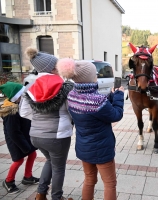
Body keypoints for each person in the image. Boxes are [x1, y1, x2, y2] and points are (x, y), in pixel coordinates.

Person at [57, 58, 124, 200]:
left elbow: (100, 110)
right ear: (90, 77)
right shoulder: (97, 101)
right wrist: (118, 96)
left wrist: (110, 97)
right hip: (102, 149)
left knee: (89, 180)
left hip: (84, 147)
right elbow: (116, 115)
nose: (97, 76)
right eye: (95, 74)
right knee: (110, 183)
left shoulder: (72, 96)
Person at [20, 47, 74, 200]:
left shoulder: (29, 84)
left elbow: (23, 112)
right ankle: (57, 197)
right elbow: (71, 110)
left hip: (35, 135)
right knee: (58, 168)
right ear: (52, 68)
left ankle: (40, 194)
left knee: (50, 161)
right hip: (58, 135)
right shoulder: (64, 85)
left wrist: (39, 118)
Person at [0, 82, 39, 194]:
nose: (24, 97)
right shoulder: (11, 112)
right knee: (18, 160)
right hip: (16, 141)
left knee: (32, 154)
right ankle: (9, 181)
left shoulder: (20, 106)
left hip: (24, 137)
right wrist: (24, 146)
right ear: (16, 97)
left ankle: (28, 177)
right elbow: (13, 132)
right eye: (22, 95)